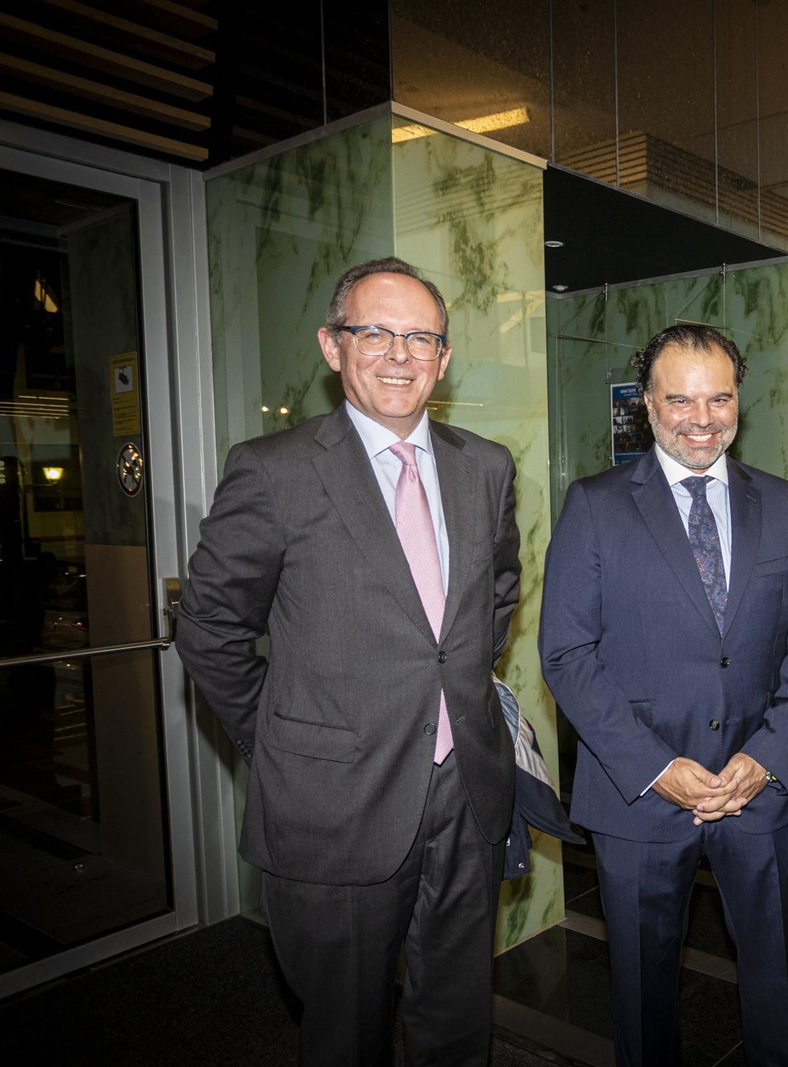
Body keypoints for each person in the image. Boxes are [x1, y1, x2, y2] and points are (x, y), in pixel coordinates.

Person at [175, 258, 522, 1065]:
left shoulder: (486, 466)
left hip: (465, 789)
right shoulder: (274, 470)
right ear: (334, 345)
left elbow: (495, 595)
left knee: (458, 1023)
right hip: (333, 806)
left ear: (444, 357)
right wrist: (288, 741)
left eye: (420, 337)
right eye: (375, 331)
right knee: (344, 1031)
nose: (398, 354)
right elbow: (210, 628)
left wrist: (457, 688)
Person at [539, 324, 788, 1067]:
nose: (701, 418)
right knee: (642, 1003)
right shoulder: (595, 506)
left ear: (740, 399)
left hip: (758, 794)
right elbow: (567, 654)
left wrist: (766, 758)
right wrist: (656, 765)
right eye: (679, 399)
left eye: (719, 398)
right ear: (647, 404)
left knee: (776, 996)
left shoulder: (783, 503)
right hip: (639, 797)